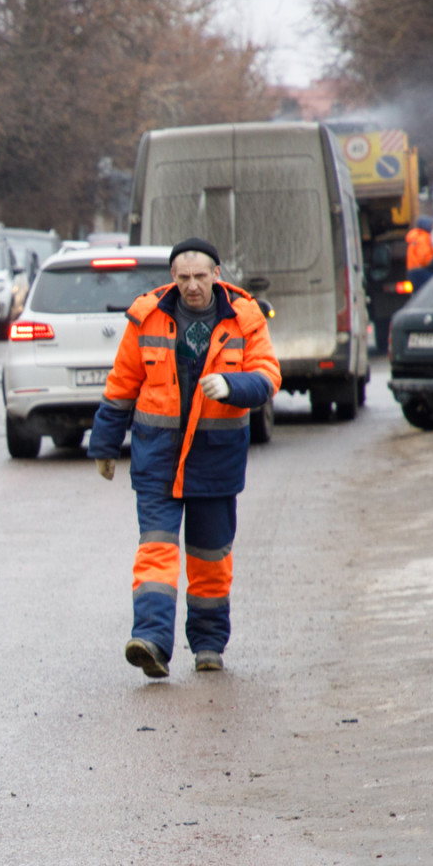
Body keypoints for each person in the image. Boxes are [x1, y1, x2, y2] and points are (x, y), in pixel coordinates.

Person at [86, 238, 281, 678]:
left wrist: (234, 388)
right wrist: (103, 444)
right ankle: (151, 641)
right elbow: (122, 384)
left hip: (216, 460)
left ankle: (208, 644)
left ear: (217, 274)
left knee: (210, 559)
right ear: (172, 278)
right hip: (158, 458)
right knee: (156, 552)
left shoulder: (244, 318)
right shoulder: (148, 316)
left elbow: (268, 375)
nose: (192, 286)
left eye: (200, 276)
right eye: (183, 277)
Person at [405, 215, 433, 289]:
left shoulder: (416, 236)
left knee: (419, 295)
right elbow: (425, 259)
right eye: (431, 226)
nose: (432, 228)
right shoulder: (423, 238)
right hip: (421, 271)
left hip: (413, 271)